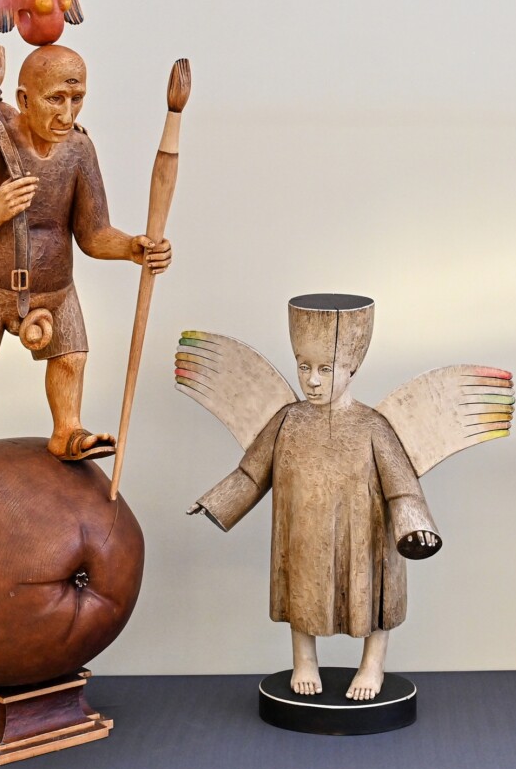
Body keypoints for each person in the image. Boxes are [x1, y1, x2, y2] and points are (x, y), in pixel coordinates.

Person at [187, 296, 441, 700]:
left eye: (326, 369)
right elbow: (253, 472)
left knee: (374, 595)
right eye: (304, 367)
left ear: (351, 369)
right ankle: (304, 660)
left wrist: (416, 525)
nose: (313, 381)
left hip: (364, 536)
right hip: (304, 531)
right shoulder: (287, 419)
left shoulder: (373, 426)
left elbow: (403, 486)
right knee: (301, 589)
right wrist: (217, 500)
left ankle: (372, 665)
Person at [0, 44, 171, 460]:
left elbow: (93, 233)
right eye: (55, 99)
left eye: (76, 99)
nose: (67, 114)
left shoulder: (79, 150)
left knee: (71, 358)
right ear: (25, 99)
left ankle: (67, 430)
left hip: (54, 290)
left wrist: (132, 248)